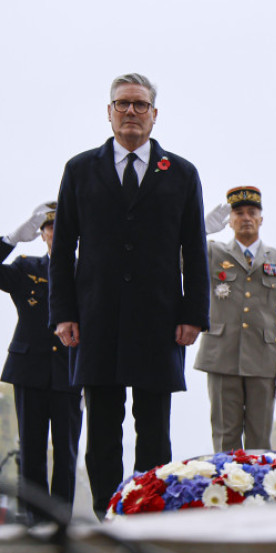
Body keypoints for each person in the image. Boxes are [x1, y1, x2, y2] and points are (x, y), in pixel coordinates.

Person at [49, 73, 209, 520]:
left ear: (155, 115)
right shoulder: (80, 169)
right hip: (95, 317)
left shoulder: (180, 173)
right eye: (123, 104)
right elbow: (62, 249)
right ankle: (106, 515)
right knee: (101, 427)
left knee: (154, 427)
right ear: (109, 111)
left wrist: (194, 312)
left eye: (140, 105)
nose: (131, 113)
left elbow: (194, 249)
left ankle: (150, 513)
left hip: (158, 319)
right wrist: (63, 313)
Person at [196, 187, 276, 452]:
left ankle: (258, 494)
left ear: (261, 218)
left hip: (263, 358)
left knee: (259, 440)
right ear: (229, 220)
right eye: (238, 213)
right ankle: (226, 492)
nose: (246, 218)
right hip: (221, 355)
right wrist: (198, 231)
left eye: (252, 212)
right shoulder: (211, 252)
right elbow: (175, 262)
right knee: (224, 438)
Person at [0, 203, 82, 524]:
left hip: (70, 370)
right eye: (50, 228)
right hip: (29, 368)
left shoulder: (86, 271)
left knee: (66, 451)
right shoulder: (26, 267)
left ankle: (61, 523)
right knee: (31, 450)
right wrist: (10, 238)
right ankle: (33, 520)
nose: (56, 234)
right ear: (43, 234)